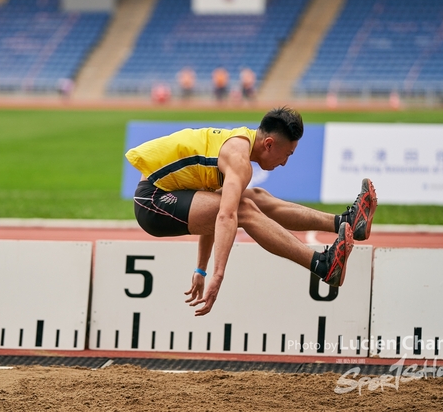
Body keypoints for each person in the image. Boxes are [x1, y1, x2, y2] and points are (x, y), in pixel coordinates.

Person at [125, 107, 377, 316]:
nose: (285, 162)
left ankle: (347, 222)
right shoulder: (238, 160)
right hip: (151, 201)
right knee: (242, 208)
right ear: (269, 144)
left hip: (165, 194)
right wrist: (218, 275)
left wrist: (201, 269)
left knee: (256, 198)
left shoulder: (241, 139)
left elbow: (213, 209)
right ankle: (323, 265)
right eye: (287, 154)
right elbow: (225, 216)